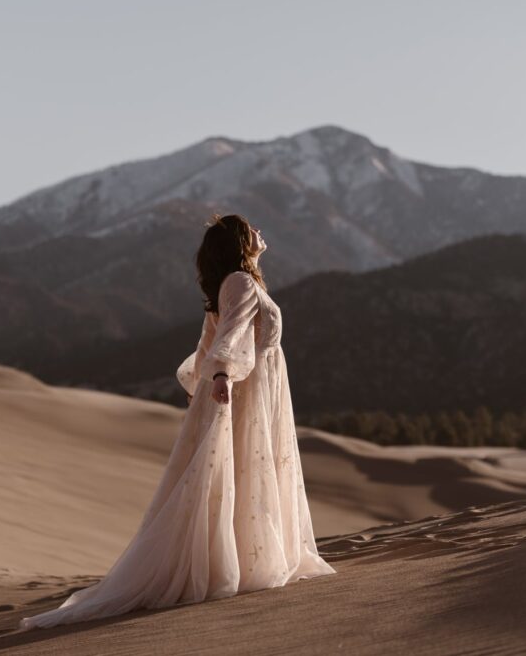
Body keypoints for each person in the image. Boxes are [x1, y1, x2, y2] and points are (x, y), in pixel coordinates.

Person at [18, 213, 336, 631]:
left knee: (240, 470)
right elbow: (230, 334)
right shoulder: (240, 281)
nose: (260, 231)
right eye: (251, 229)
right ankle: (242, 562)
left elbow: (210, 338)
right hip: (249, 387)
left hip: (251, 385)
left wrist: (203, 379)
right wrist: (219, 374)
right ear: (241, 242)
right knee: (241, 468)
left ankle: (243, 555)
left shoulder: (234, 281)